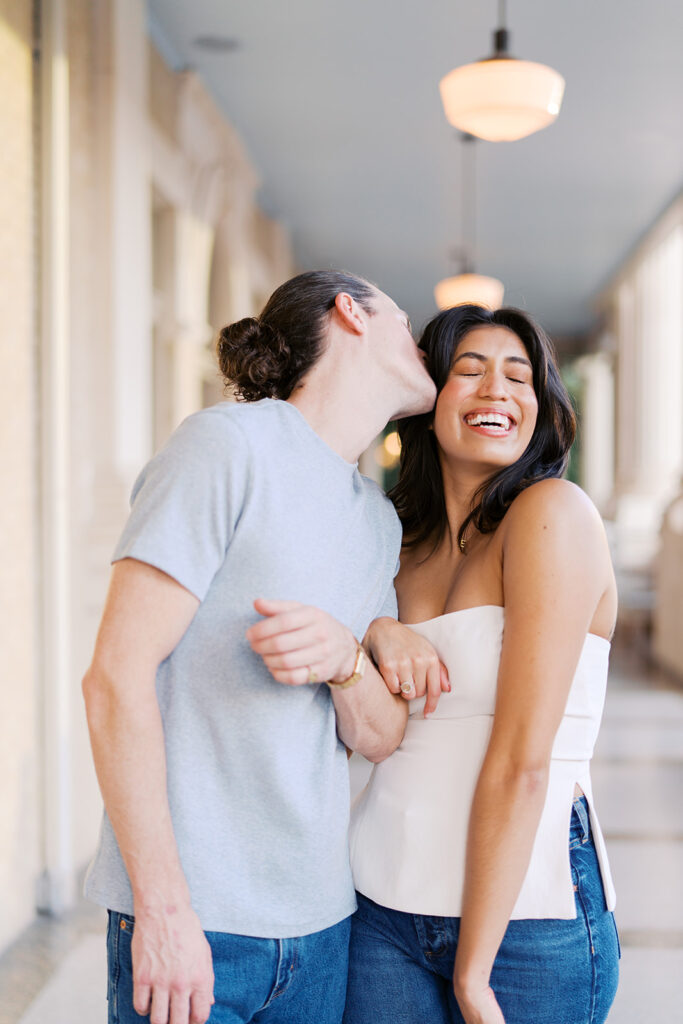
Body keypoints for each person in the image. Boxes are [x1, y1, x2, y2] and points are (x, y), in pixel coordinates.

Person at [81, 270, 437, 1024]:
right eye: (404, 322)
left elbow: (378, 733)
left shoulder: (373, 518)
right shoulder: (225, 445)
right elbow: (114, 678)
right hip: (196, 918)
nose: (421, 344)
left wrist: (346, 659)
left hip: (318, 920)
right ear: (350, 313)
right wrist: (165, 912)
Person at [343, 304, 620, 1024]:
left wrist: (472, 974)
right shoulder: (390, 538)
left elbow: (522, 762)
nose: (497, 390)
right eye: (469, 371)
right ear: (429, 396)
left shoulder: (552, 514)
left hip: (525, 921)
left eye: (518, 376)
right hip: (381, 900)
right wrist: (375, 628)